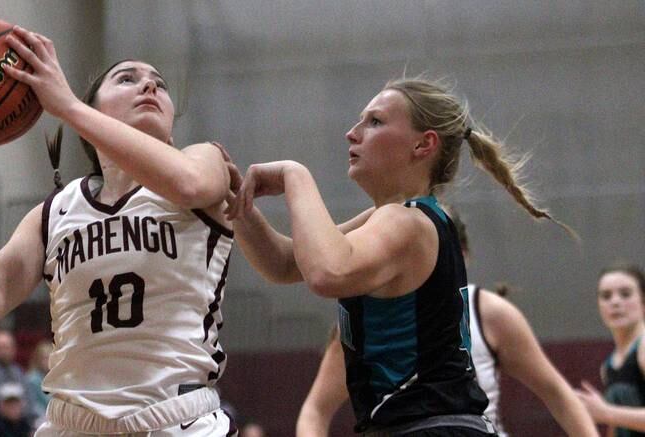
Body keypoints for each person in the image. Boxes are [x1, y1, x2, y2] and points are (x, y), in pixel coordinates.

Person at [0, 24, 235, 436]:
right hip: (72, 423)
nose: (149, 87)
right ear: (96, 111)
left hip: (178, 419)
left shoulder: (202, 160)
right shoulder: (55, 211)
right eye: (128, 79)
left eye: (159, 83)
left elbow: (190, 184)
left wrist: (65, 106)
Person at [225, 76, 573, 435]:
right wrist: (235, 204)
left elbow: (327, 273)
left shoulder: (407, 221)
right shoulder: (398, 217)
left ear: (424, 145)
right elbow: (284, 263)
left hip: (431, 426)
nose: (352, 133)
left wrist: (294, 176)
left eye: (374, 121)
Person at [295, 211, 598, 436]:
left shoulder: (490, 312)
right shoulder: (365, 315)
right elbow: (316, 410)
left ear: (459, 256)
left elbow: (557, 392)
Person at [576, 262, 645, 436]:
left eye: (625, 294)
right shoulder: (608, 366)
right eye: (606, 296)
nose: (615, 302)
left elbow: (609, 415)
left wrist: (606, 413)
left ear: (643, 302)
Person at [25, 340, 52, 424]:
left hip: (54, 416)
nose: (48, 362)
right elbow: (33, 405)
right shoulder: (32, 379)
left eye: (50, 358)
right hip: (38, 418)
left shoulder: (56, 379)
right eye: (45, 358)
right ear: (38, 359)